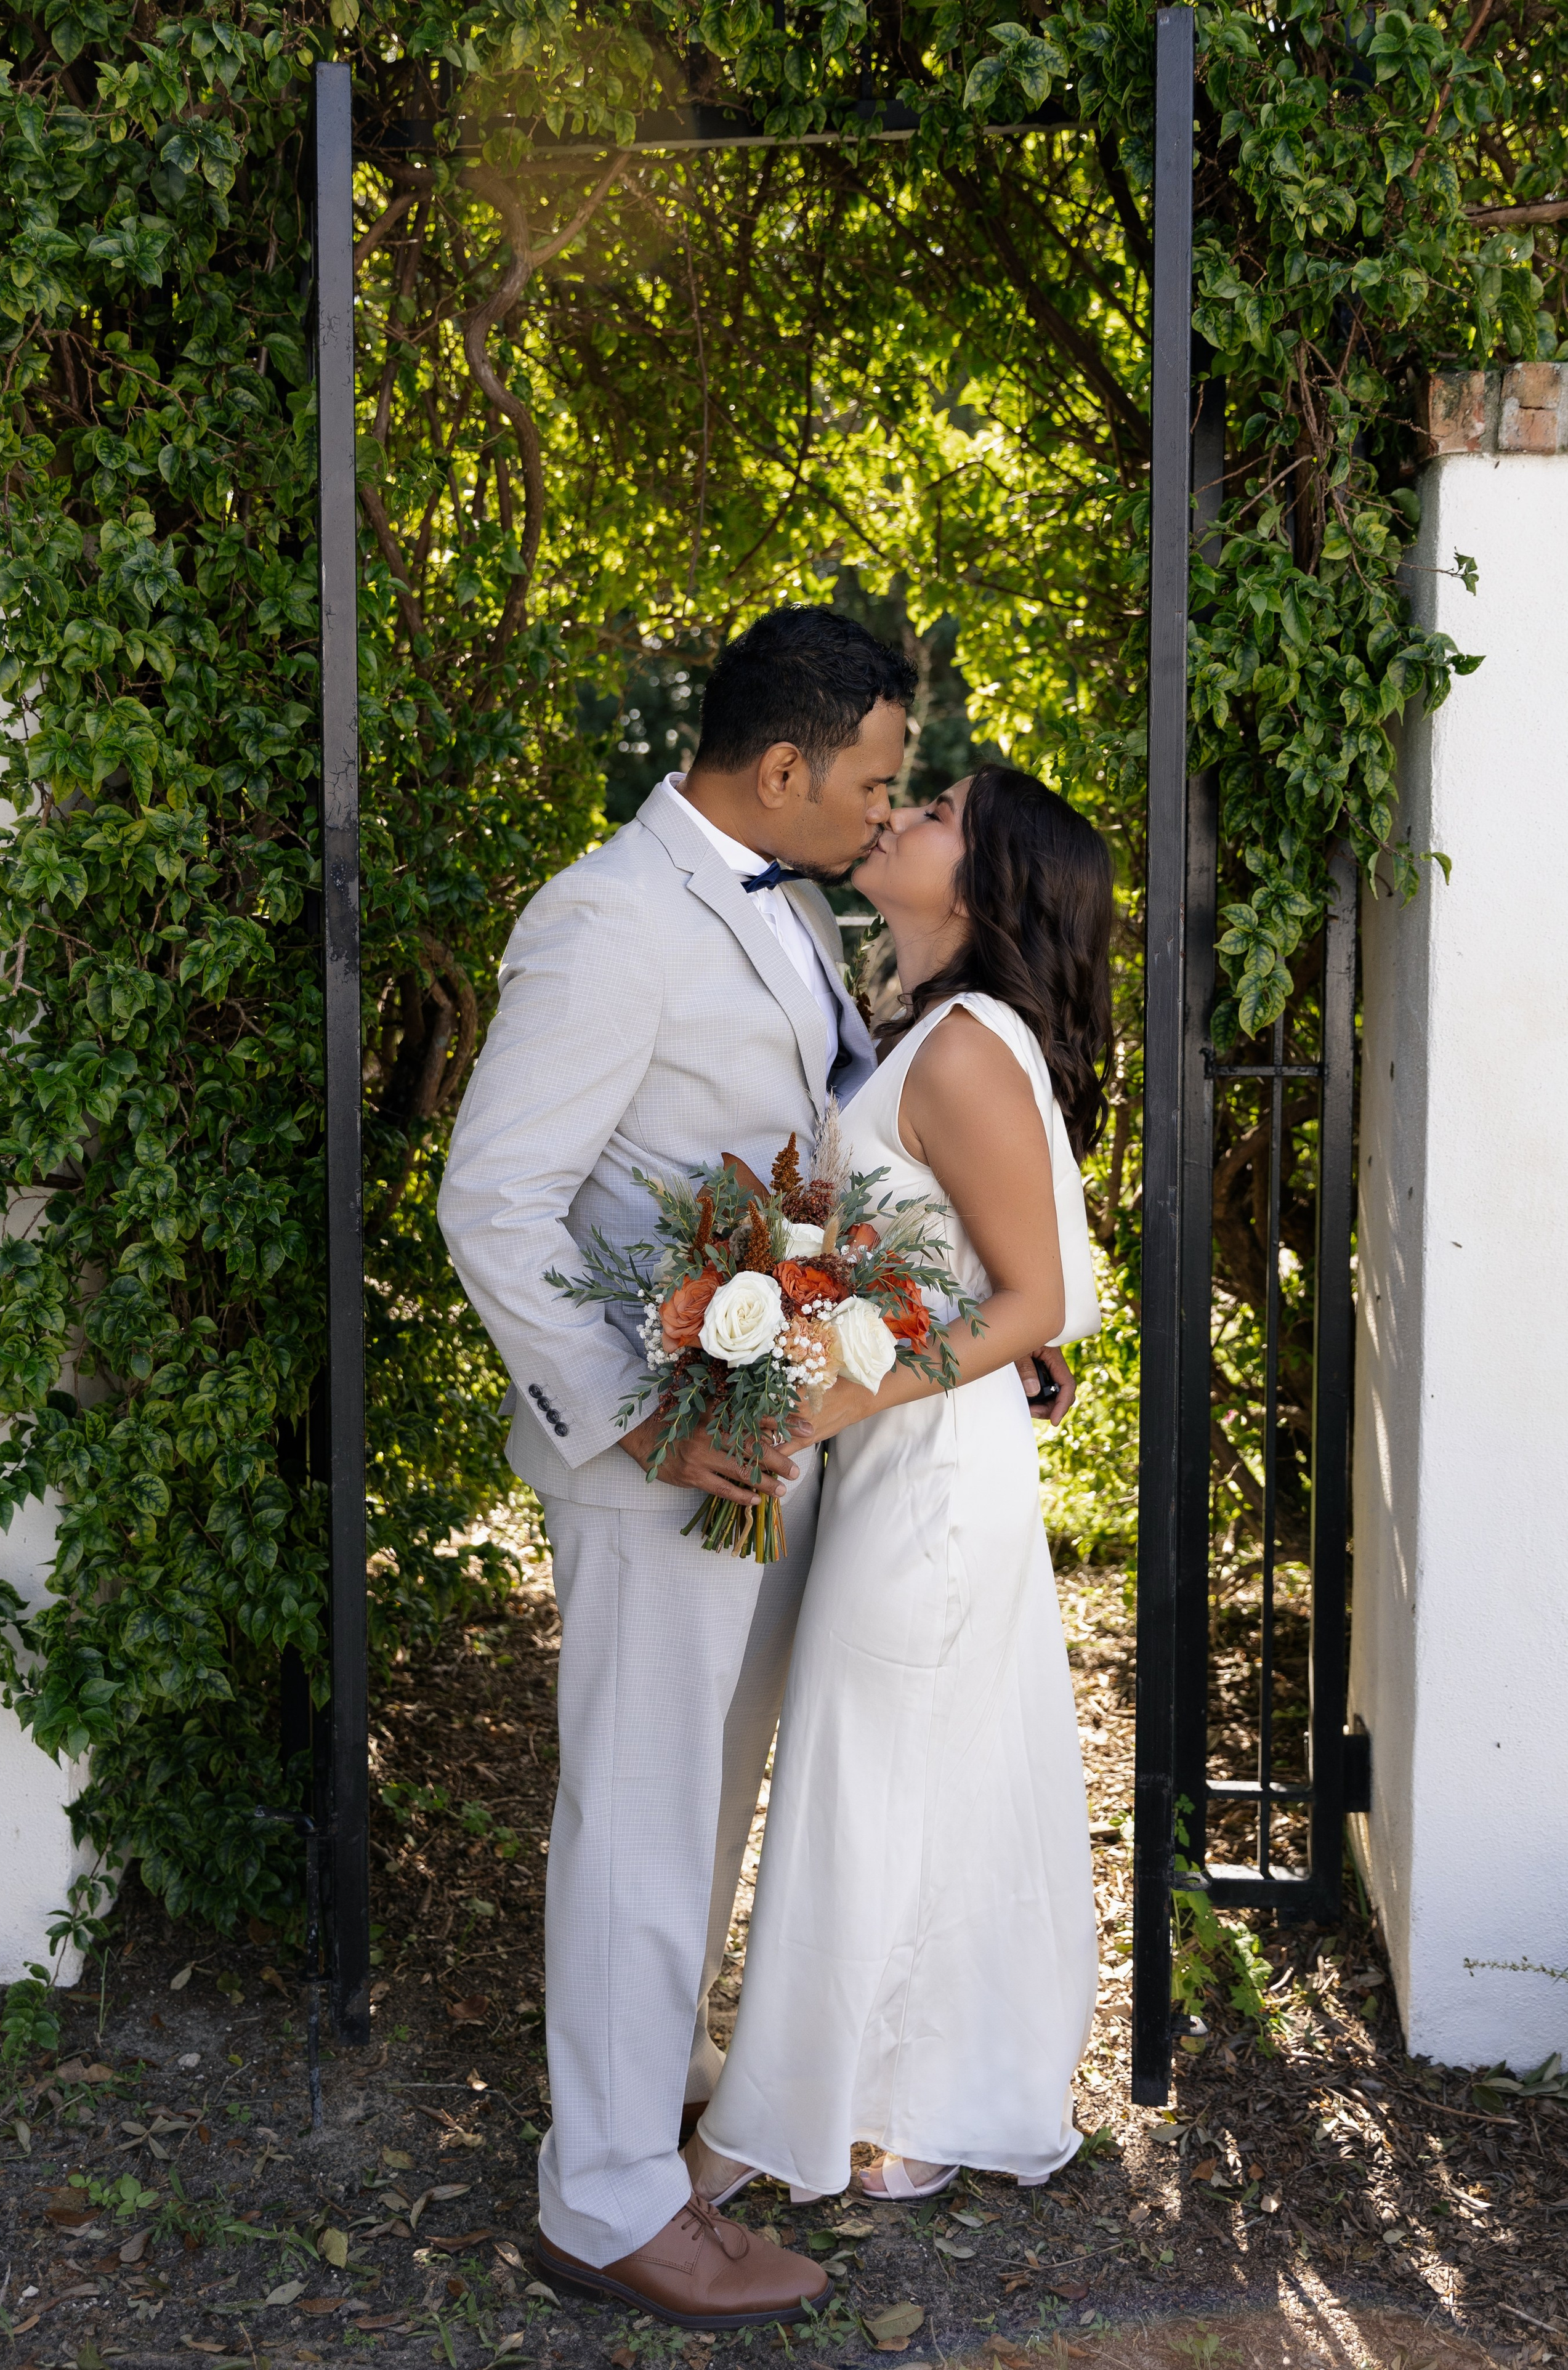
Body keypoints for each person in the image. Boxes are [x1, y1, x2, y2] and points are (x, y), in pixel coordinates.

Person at [440, 609, 1076, 2329]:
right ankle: (604, 2204)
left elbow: (848, 1154)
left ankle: (650, 2101)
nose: (885, 811)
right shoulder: (606, 920)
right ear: (782, 766)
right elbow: (491, 1200)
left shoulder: (790, 910)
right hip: (658, 1457)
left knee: (702, 1811)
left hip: (769, 1449)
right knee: (641, 1823)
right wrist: (640, 1420)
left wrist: (955, 1320)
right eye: (873, 780)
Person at [684, 764, 1112, 2207]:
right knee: (922, 1776)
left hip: (924, 1476)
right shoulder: (918, 1027)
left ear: (983, 887)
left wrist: (830, 1394)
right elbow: (982, 1274)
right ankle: (935, 2093)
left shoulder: (964, 1047)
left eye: (936, 814)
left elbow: (1034, 1297)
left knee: (860, 1784)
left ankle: (759, 2130)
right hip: (898, 1454)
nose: (900, 814)